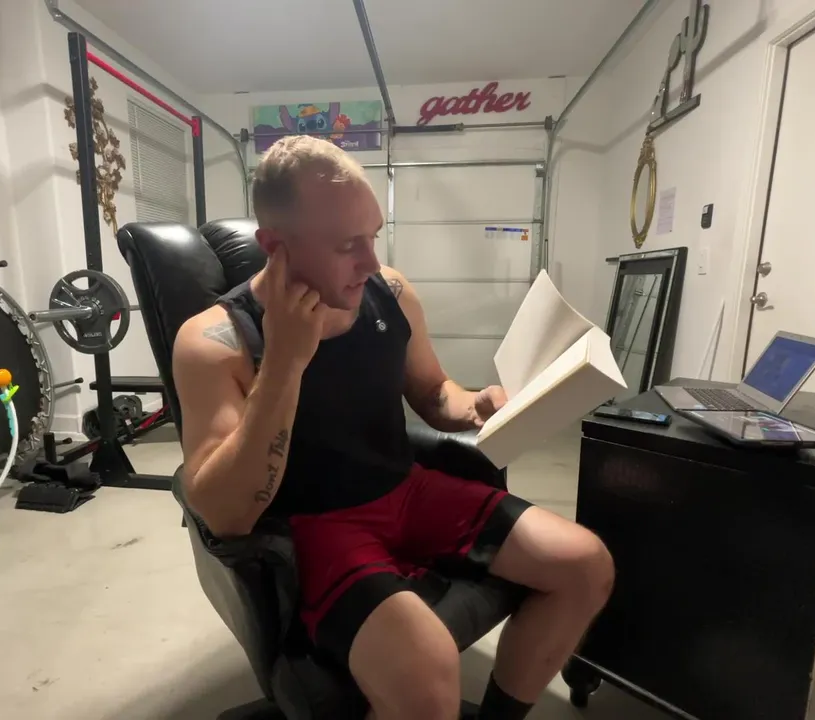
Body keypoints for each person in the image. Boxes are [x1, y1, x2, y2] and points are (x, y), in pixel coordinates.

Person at [173, 136, 614, 720]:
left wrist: (477, 404)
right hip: (320, 525)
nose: (370, 262)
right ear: (275, 247)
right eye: (347, 245)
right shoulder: (214, 341)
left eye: (373, 237)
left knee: (586, 565)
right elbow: (226, 515)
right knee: (427, 669)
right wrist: (283, 362)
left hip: (408, 492)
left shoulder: (391, 292)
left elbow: (434, 392)